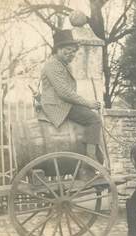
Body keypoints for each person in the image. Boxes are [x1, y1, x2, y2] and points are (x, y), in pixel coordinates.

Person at [41, 30, 101, 161]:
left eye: (74, 51)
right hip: (57, 105)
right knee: (94, 119)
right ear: (58, 49)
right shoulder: (52, 65)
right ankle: (91, 157)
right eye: (69, 50)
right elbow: (64, 92)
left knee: (88, 115)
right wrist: (88, 103)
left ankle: (94, 156)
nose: (72, 54)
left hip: (62, 103)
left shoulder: (62, 65)